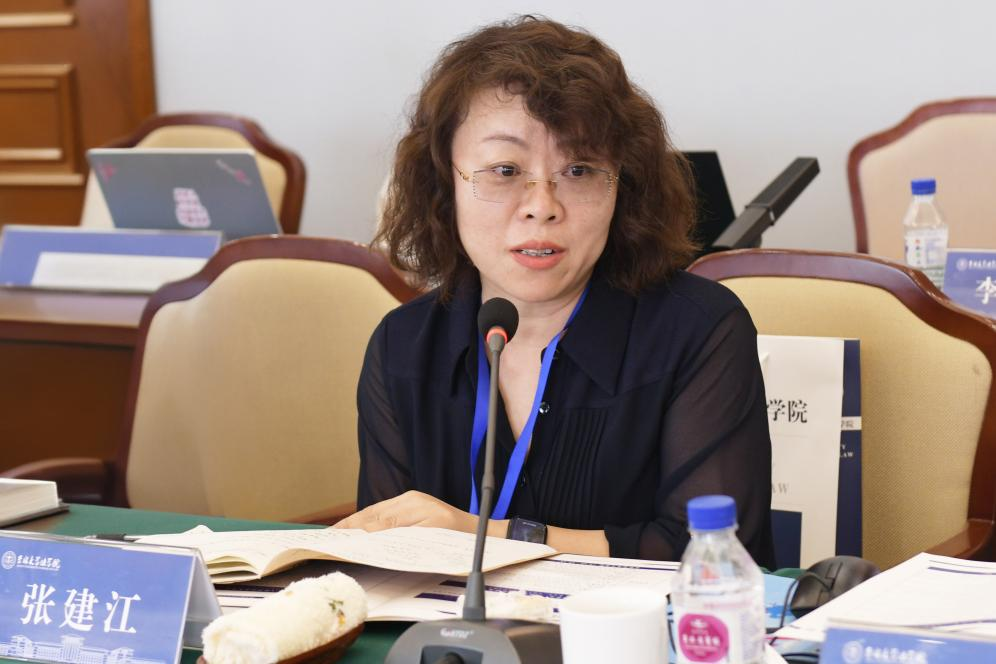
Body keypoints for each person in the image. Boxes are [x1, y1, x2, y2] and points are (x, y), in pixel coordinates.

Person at [336, 15, 774, 566]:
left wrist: (477, 535)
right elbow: (386, 550)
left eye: (579, 170)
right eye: (504, 169)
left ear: (623, 188)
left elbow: (712, 556)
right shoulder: (403, 345)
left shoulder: (698, 330)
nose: (541, 205)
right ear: (444, 185)